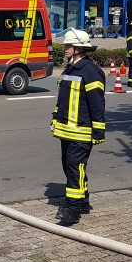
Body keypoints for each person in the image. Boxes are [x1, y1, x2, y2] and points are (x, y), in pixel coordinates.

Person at [51, 28, 106, 226]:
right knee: (71, 168)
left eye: (68, 45)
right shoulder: (69, 69)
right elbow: (62, 100)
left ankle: (72, 209)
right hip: (66, 130)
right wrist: (55, 119)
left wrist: (98, 132)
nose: (65, 48)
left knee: (75, 168)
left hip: (82, 131)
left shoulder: (91, 72)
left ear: (79, 48)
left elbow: (97, 104)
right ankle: (83, 202)